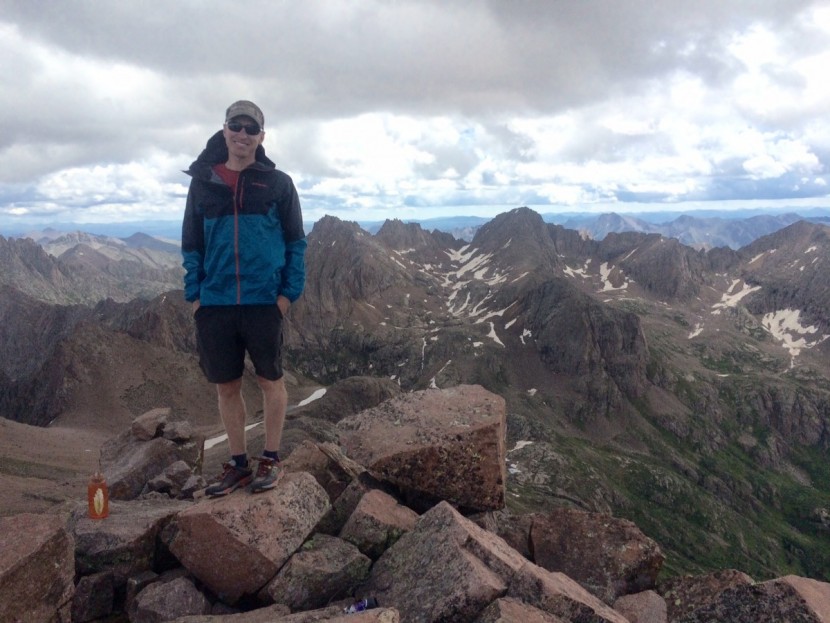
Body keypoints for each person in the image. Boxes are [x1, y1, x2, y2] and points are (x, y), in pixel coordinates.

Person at [181, 100, 307, 496]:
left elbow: (296, 243)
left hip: (262, 301)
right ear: (224, 131)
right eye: (236, 125)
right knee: (227, 387)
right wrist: (195, 297)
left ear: (261, 138)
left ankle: (270, 458)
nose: (242, 134)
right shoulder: (204, 182)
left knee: (271, 380)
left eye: (251, 128)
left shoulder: (278, 184)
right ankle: (238, 465)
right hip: (216, 303)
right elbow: (191, 244)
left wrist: (287, 296)